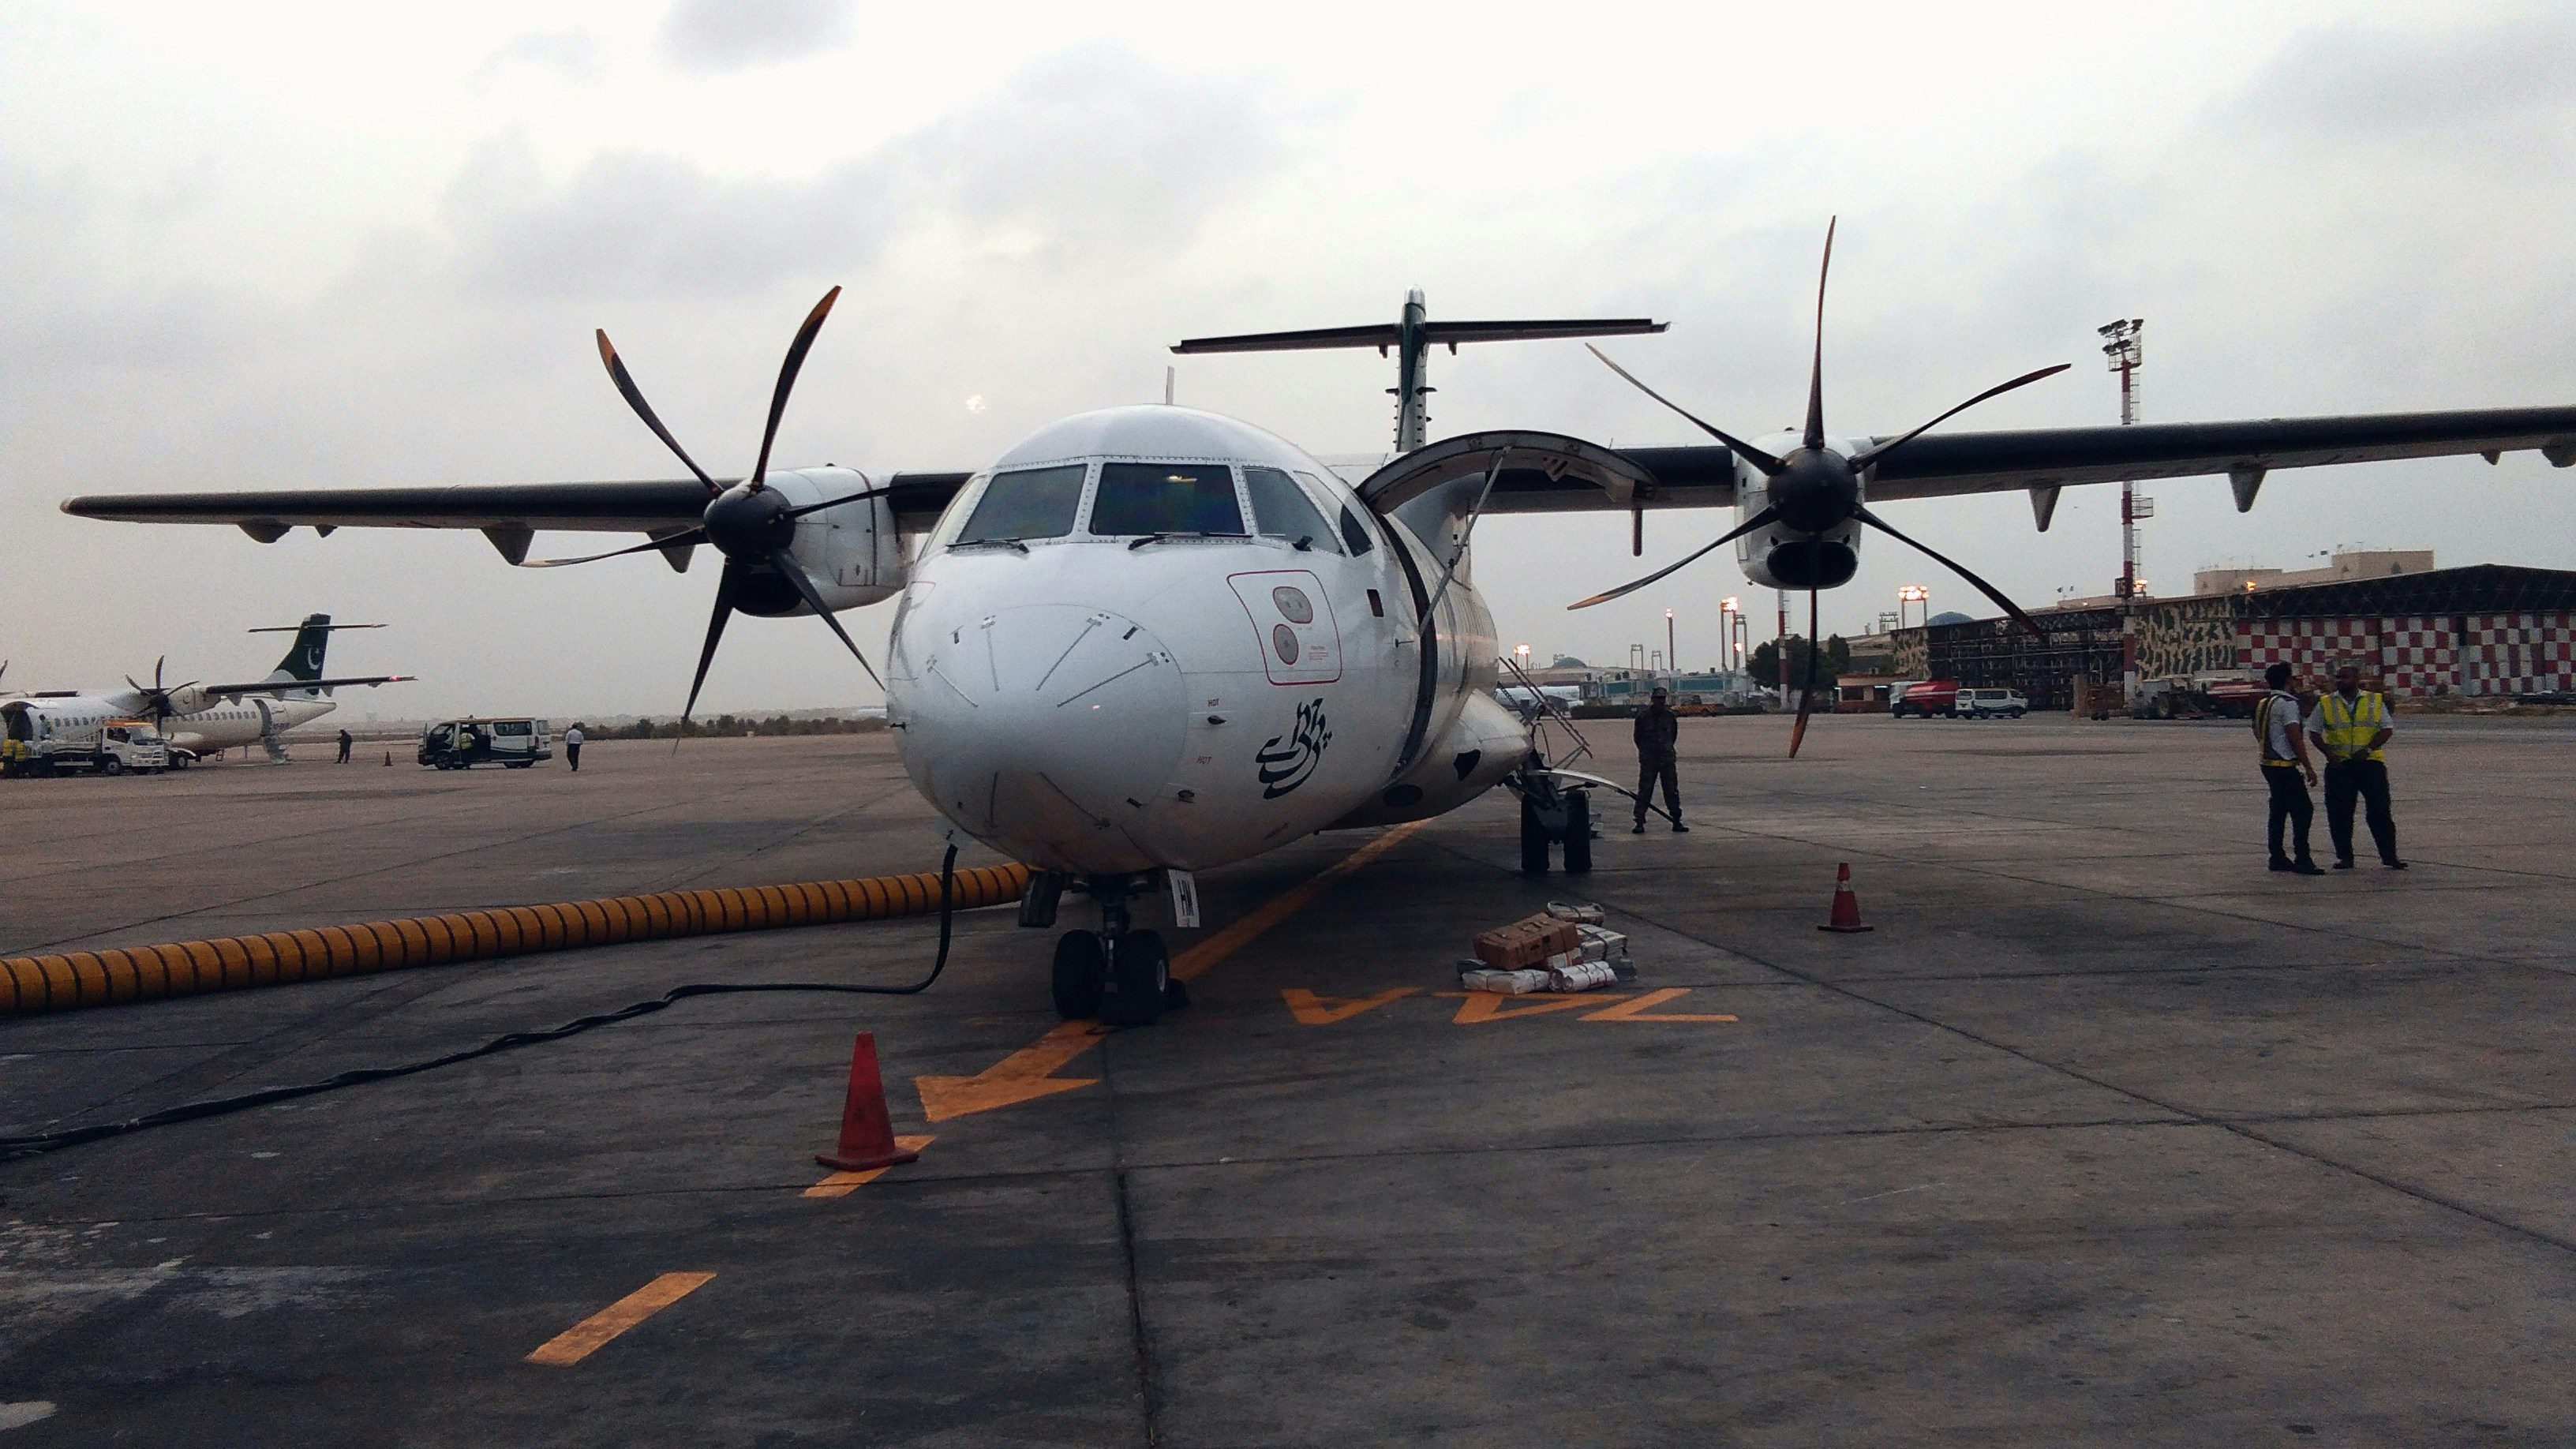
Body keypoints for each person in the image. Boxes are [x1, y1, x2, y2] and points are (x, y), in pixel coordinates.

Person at [2307, 662, 2406, 870]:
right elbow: (2314, 732)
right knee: (2339, 813)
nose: (2340, 681)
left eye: (2345, 677)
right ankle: (2345, 857)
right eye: (2338, 678)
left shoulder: (2374, 700)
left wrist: (2368, 749)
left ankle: (2389, 855)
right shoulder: (2326, 703)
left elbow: (2386, 729)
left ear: (2356, 679)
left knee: (2379, 811)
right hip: (2340, 766)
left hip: (2370, 764)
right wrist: (2329, 754)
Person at [2253, 664, 2323, 874]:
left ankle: (2277, 855)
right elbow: (2294, 736)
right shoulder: (2288, 703)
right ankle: (2302, 857)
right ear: (2287, 681)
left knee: (2279, 810)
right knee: (2303, 811)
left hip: (2268, 763)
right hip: (2284, 765)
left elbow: (2258, 731)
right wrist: (2308, 766)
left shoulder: (2264, 703)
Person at [1631, 687, 1686, 833]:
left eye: (1662, 699)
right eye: (1658, 698)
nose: (1660, 701)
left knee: (1671, 791)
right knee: (1645, 791)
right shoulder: (1643, 717)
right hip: (1649, 759)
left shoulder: (1669, 716)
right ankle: (1639, 821)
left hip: (1666, 758)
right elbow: (1638, 738)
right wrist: (1646, 752)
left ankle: (1676, 820)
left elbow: (1673, 736)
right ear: (1652, 699)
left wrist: (1666, 749)